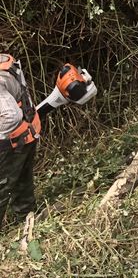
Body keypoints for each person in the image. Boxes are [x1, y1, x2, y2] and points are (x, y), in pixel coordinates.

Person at [0, 54, 96, 228]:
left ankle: (23, 222)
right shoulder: (4, 61)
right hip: (26, 135)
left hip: (12, 143)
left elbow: (10, 117)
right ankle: (26, 223)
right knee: (22, 185)